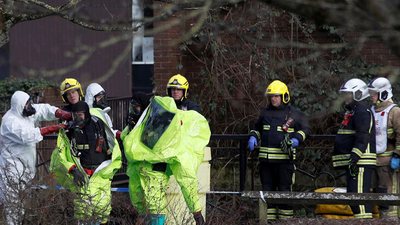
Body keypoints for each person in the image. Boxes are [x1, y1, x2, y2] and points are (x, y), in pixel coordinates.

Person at [122, 96, 210, 225]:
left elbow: (186, 177)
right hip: (138, 169)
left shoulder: (164, 132)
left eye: (137, 108)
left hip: (155, 169)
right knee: (138, 200)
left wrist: (196, 211)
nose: (133, 111)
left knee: (156, 203)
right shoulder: (135, 126)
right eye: (132, 107)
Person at [0, 90, 71, 224]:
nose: (30, 106)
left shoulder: (25, 113)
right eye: (27, 104)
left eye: (30, 102)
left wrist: (61, 113)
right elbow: (27, 136)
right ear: (19, 106)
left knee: (24, 208)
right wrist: (53, 128)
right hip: (12, 173)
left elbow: (43, 109)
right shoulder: (9, 122)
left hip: (25, 171)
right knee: (13, 209)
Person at [49, 101, 122, 224]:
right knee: (82, 210)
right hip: (81, 176)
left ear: (86, 114)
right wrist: (72, 169)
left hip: (100, 174)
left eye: (80, 115)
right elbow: (61, 154)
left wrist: (109, 170)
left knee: (103, 209)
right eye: (75, 115)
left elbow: (113, 148)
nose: (77, 118)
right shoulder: (68, 131)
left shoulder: (98, 125)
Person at [247, 80, 310, 220]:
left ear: (284, 97)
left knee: (284, 192)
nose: (273, 98)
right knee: (267, 191)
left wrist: (297, 139)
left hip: (285, 162)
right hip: (266, 162)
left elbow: (306, 129)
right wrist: (253, 137)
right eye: (271, 96)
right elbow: (257, 128)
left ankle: (285, 221)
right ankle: (267, 220)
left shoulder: (294, 113)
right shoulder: (264, 113)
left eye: (276, 96)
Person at [333, 78, 376, 219]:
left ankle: (364, 221)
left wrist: (354, 157)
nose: (346, 98)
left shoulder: (362, 112)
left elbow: (363, 137)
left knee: (359, 199)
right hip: (355, 162)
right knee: (354, 197)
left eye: (349, 94)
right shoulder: (354, 111)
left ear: (358, 94)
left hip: (360, 163)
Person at [368, 77, 400, 219]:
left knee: (389, 198)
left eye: (374, 93)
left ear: (384, 93)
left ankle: (392, 220)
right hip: (372, 162)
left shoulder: (394, 111)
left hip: (388, 165)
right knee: (378, 196)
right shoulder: (371, 111)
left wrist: (397, 155)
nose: (371, 96)